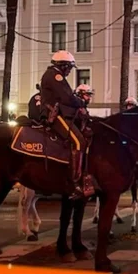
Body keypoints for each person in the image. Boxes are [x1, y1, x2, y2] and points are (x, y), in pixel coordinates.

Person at [40, 50, 95, 200]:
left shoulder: (54, 75)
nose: (70, 71)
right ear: (63, 66)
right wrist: (81, 102)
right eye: (69, 67)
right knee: (79, 142)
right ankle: (75, 182)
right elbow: (67, 98)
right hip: (54, 115)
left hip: (60, 113)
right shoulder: (55, 76)